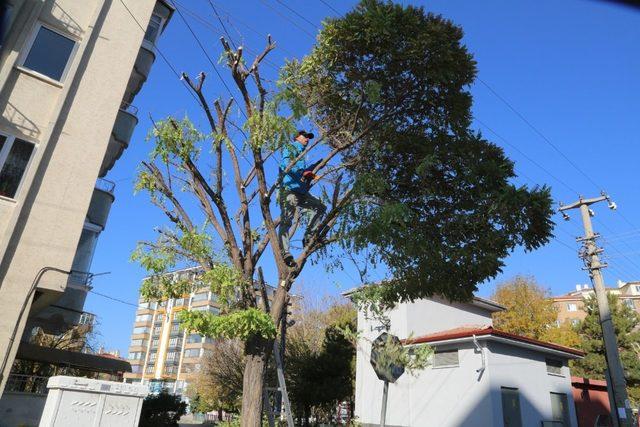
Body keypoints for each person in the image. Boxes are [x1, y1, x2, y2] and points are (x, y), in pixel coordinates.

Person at [278, 130, 326, 266]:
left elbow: (303, 170)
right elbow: (286, 166)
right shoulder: (290, 147)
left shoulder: (302, 154)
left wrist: (315, 166)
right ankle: (285, 252)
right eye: (304, 136)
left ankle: (308, 236)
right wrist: (303, 172)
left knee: (320, 207)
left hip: (301, 192)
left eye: (309, 137)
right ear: (296, 137)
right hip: (289, 190)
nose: (307, 139)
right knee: (287, 221)